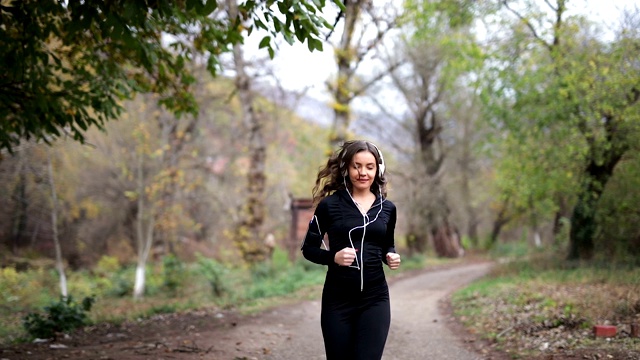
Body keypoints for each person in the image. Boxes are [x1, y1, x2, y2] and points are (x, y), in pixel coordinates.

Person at [301, 140, 401, 360]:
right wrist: (332, 257)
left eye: (369, 167)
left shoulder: (387, 208)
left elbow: (387, 245)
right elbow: (308, 249)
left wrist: (390, 256)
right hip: (338, 301)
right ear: (346, 168)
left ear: (378, 169)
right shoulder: (329, 206)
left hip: (375, 299)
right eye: (356, 166)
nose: (362, 172)